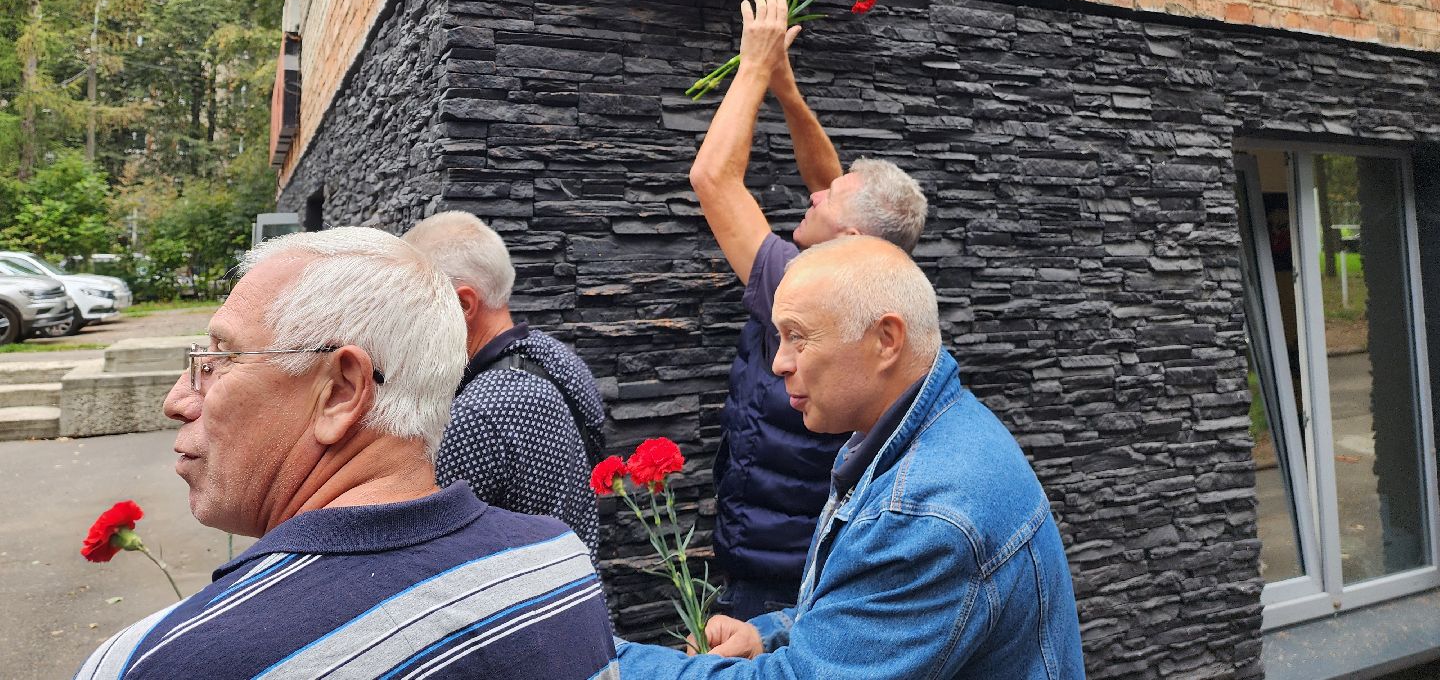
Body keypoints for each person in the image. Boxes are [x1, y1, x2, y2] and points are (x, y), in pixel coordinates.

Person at [76, 228, 617, 680]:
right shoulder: (558, 563)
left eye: (221, 358)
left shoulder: (154, 664)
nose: (177, 400)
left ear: (339, 392)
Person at [618, 237, 1086, 678]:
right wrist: (768, 634)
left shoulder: (924, 511)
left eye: (797, 336)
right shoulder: (936, 428)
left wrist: (600, 662)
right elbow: (868, 610)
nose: (780, 362)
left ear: (886, 340)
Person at [689, 0, 928, 620]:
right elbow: (828, 180)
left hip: (767, 578)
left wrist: (754, 65)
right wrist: (788, 94)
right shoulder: (878, 284)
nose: (815, 195)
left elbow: (712, 178)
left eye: (829, 200)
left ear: (850, 238)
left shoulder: (801, 284)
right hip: (805, 554)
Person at [403, 210, 606, 557]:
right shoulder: (558, 358)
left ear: (464, 304)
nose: (409, 326)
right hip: (576, 589)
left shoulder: (476, 415)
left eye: (414, 307)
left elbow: (434, 548)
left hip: (520, 606)